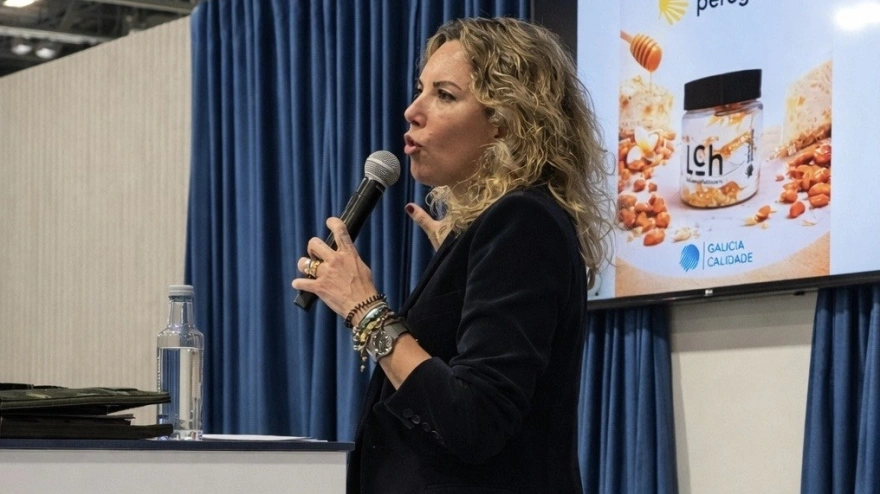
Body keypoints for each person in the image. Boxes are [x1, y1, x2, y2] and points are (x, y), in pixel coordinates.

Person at [291, 17, 613, 493]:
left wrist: (365, 310)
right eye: (420, 90)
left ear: (506, 120)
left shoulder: (524, 221)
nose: (411, 111)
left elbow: (475, 421)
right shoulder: (498, 230)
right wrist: (468, 268)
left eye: (444, 95)